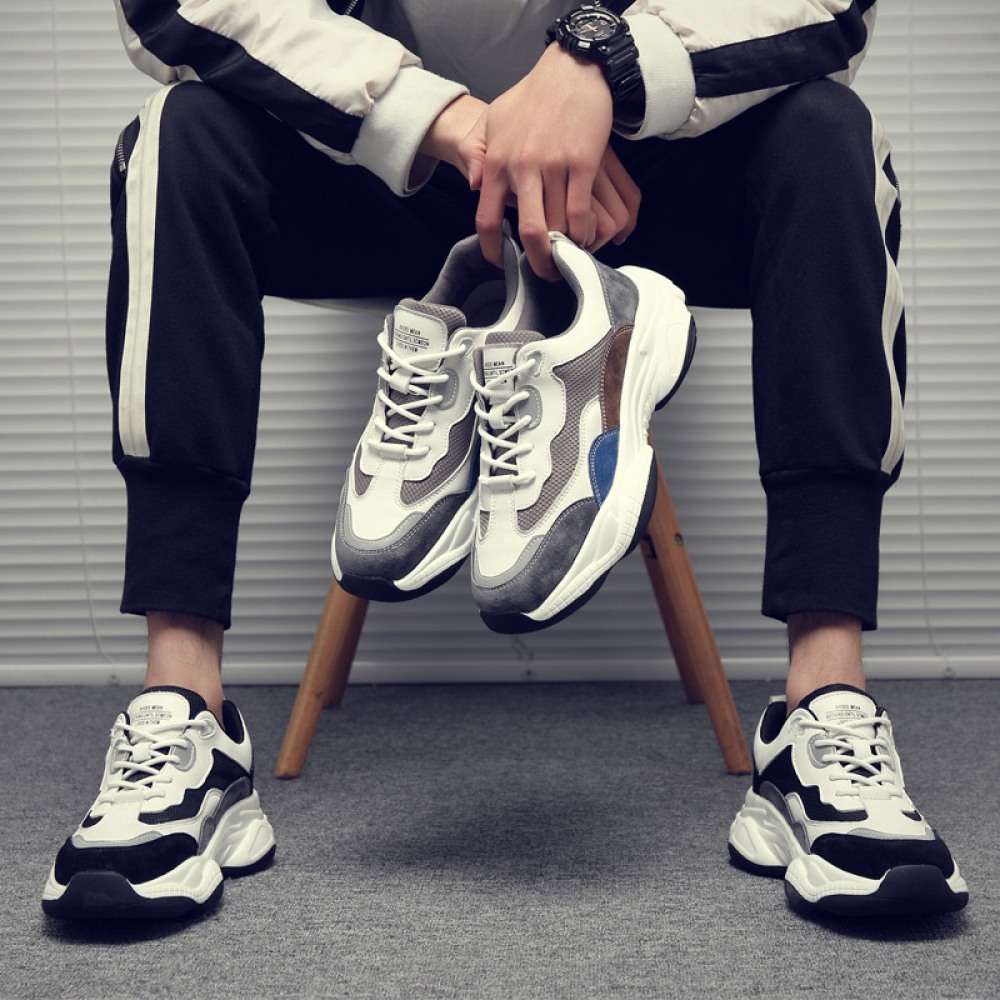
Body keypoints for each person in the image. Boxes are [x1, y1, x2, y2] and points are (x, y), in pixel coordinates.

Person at [42, 0, 969, 921]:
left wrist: (604, 67)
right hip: (404, 167)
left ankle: (823, 704)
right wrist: (443, 119)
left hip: (635, 174)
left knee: (829, 132)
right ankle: (186, 711)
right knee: (179, 134)